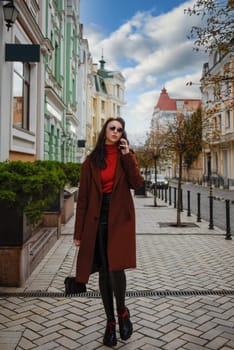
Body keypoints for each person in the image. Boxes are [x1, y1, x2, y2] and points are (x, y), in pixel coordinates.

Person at [74, 117, 143, 347]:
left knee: (116, 269)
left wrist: (128, 156)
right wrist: (78, 232)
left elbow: (137, 183)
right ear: (105, 130)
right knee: (104, 271)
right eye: (112, 128)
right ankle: (110, 323)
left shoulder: (126, 157)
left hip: (119, 220)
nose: (116, 131)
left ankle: (122, 311)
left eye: (120, 129)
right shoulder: (91, 161)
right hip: (97, 220)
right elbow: (82, 199)